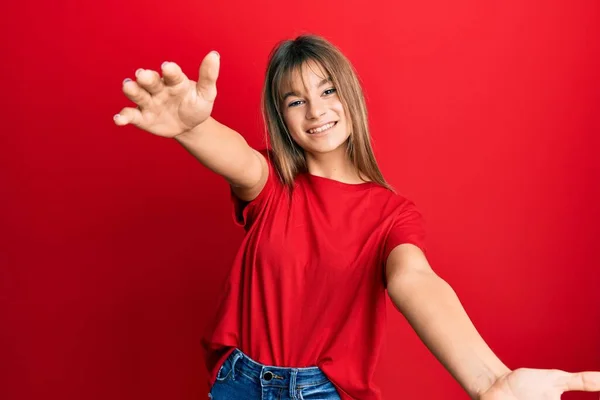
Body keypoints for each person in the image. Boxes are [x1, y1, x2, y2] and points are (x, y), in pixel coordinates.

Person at [114, 35, 600, 400]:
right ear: (282, 118)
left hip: (322, 392)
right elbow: (236, 155)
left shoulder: (391, 215)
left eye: (327, 91)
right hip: (239, 383)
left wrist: (491, 379)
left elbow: (416, 279)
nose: (316, 111)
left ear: (350, 96)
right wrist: (194, 129)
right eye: (295, 100)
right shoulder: (273, 185)